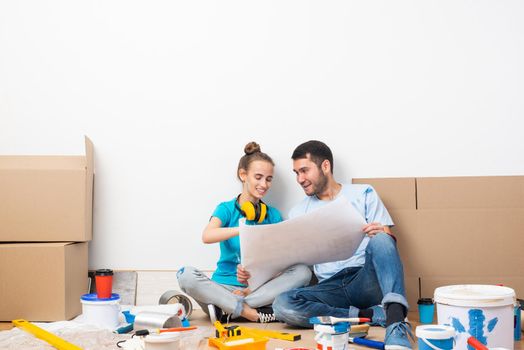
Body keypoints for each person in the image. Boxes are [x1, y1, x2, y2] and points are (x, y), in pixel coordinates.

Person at [272, 140, 413, 349]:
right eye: (296, 173)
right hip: (330, 288)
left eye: (304, 171)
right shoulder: (298, 213)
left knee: (383, 239)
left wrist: (381, 231)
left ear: (325, 166)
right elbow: (291, 262)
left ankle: (395, 324)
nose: (300, 179)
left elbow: (387, 247)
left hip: (363, 279)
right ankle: (368, 315)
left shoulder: (364, 193)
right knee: (282, 305)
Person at [177, 142, 311, 323]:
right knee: (185, 274)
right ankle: (248, 312)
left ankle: (230, 309)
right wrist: (241, 230)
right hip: (221, 289)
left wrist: (254, 282)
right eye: (258, 177)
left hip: (256, 290)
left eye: (269, 179)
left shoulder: (273, 215)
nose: (264, 184)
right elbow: (207, 236)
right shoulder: (225, 209)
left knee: (303, 272)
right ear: (243, 175)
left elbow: (282, 262)